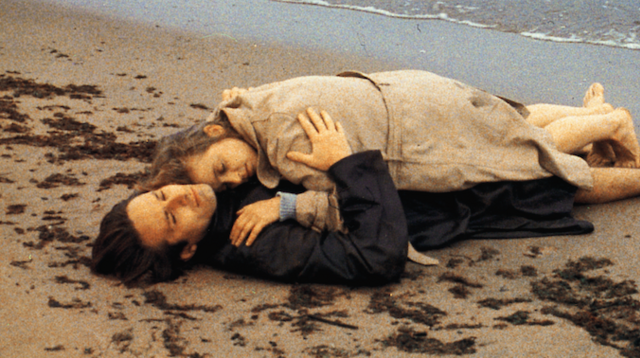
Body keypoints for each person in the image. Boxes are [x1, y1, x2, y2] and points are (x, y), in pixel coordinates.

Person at [140, 70, 640, 239]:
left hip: (421, 136)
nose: (236, 177)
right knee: (510, 122)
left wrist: (287, 208)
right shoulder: (254, 104)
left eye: (224, 167)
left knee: (531, 162)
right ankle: (595, 115)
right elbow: (240, 102)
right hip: (411, 89)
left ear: (218, 135)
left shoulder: (292, 147)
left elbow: (359, 204)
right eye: (224, 183)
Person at [92, 116, 410, 285]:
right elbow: (376, 257)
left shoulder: (204, 186)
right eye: (172, 218)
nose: (179, 196)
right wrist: (346, 164)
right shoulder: (257, 243)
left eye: (162, 194)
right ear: (188, 250)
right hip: (438, 200)